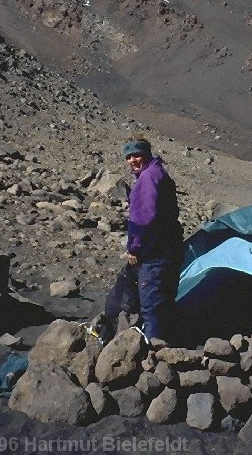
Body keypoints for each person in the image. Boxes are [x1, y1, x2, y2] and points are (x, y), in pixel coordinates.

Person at [101, 135, 183, 348]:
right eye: (128, 156)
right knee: (161, 297)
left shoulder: (148, 178)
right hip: (169, 248)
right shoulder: (158, 173)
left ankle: (152, 349)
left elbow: (143, 219)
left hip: (154, 252)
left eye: (136, 155)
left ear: (146, 154)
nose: (132, 160)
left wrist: (134, 248)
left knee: (150, 299)